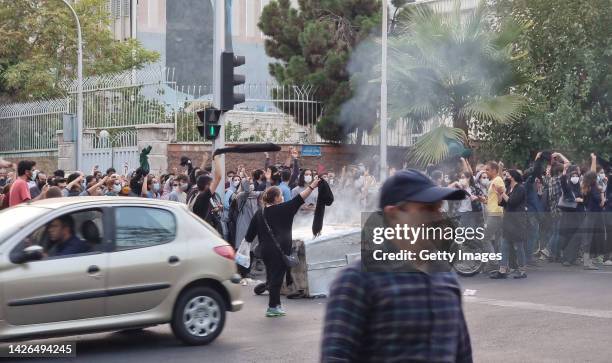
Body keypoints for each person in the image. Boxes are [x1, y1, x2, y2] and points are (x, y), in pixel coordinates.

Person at [321, 169, 472, 362]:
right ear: (393, 215)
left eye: (439, 208)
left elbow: (463, 355)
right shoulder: (357, 281)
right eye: (427, 209)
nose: (439, 218)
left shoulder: (446, 278)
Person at [244, 176, 321, 318]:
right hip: (278, 251)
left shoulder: (259, 213)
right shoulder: (284, 209)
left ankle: (277, 305)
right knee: (276, 278)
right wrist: (313, 186)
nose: (283, 198)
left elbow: (249, 235)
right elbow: (300, 198)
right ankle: (272, 307)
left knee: (273, 276)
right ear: (276, 198)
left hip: (265, 251)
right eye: (280, 195)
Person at [490, 169, 528, 279]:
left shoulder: (520, 188)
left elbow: (512, 202)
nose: (505, 177)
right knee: (504, 245)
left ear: (512, 176)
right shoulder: (509, 189)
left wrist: (502, 193)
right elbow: (501, 203)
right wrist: (498, 194)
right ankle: (502, 270)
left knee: (519, 246)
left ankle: (522, 270)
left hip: (517, 221)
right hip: (508, 221)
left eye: (507, 175)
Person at [482, 161, 505, 271]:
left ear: (494, 170)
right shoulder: (493, 181)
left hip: (495, 214)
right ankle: (501, 263)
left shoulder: (498, 180)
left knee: (485, 239)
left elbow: (501, 196)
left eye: (488, 170)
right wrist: (483, 200)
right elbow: (493, 199)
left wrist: (499, 193)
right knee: (497, 240)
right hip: (494, 213)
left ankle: (494, 263)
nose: (486, 172)